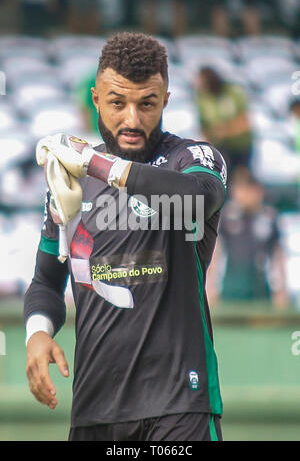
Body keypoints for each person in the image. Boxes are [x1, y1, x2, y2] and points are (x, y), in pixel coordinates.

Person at [24, 32, 227, 442]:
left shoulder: (192, 161)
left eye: (146, 104)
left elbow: (199, 198)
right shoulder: (70, 182)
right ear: (96, 99)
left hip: (180, 405)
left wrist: (101, 165)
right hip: (96, 407)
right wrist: (37, 333)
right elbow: (47, 279)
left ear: (165, 100)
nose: (132, 120)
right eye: (118, 103)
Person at [207, 166, 288, 307]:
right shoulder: (226, 217)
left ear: (257, 191)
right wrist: (210, 286)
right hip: (231, 286)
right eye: (239, 189)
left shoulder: (268, 218)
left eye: (246, 189)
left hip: (260, 285)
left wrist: (281, 288)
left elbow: (277, 255)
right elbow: (216, 253)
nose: (242, 194)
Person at [196, 66, 253, 172]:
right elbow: (203, 126)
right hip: (219, 148)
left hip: (241, 146)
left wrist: (224, 130)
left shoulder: (232, 92)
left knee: (241, 179)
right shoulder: (202, 98)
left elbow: (245, 122)